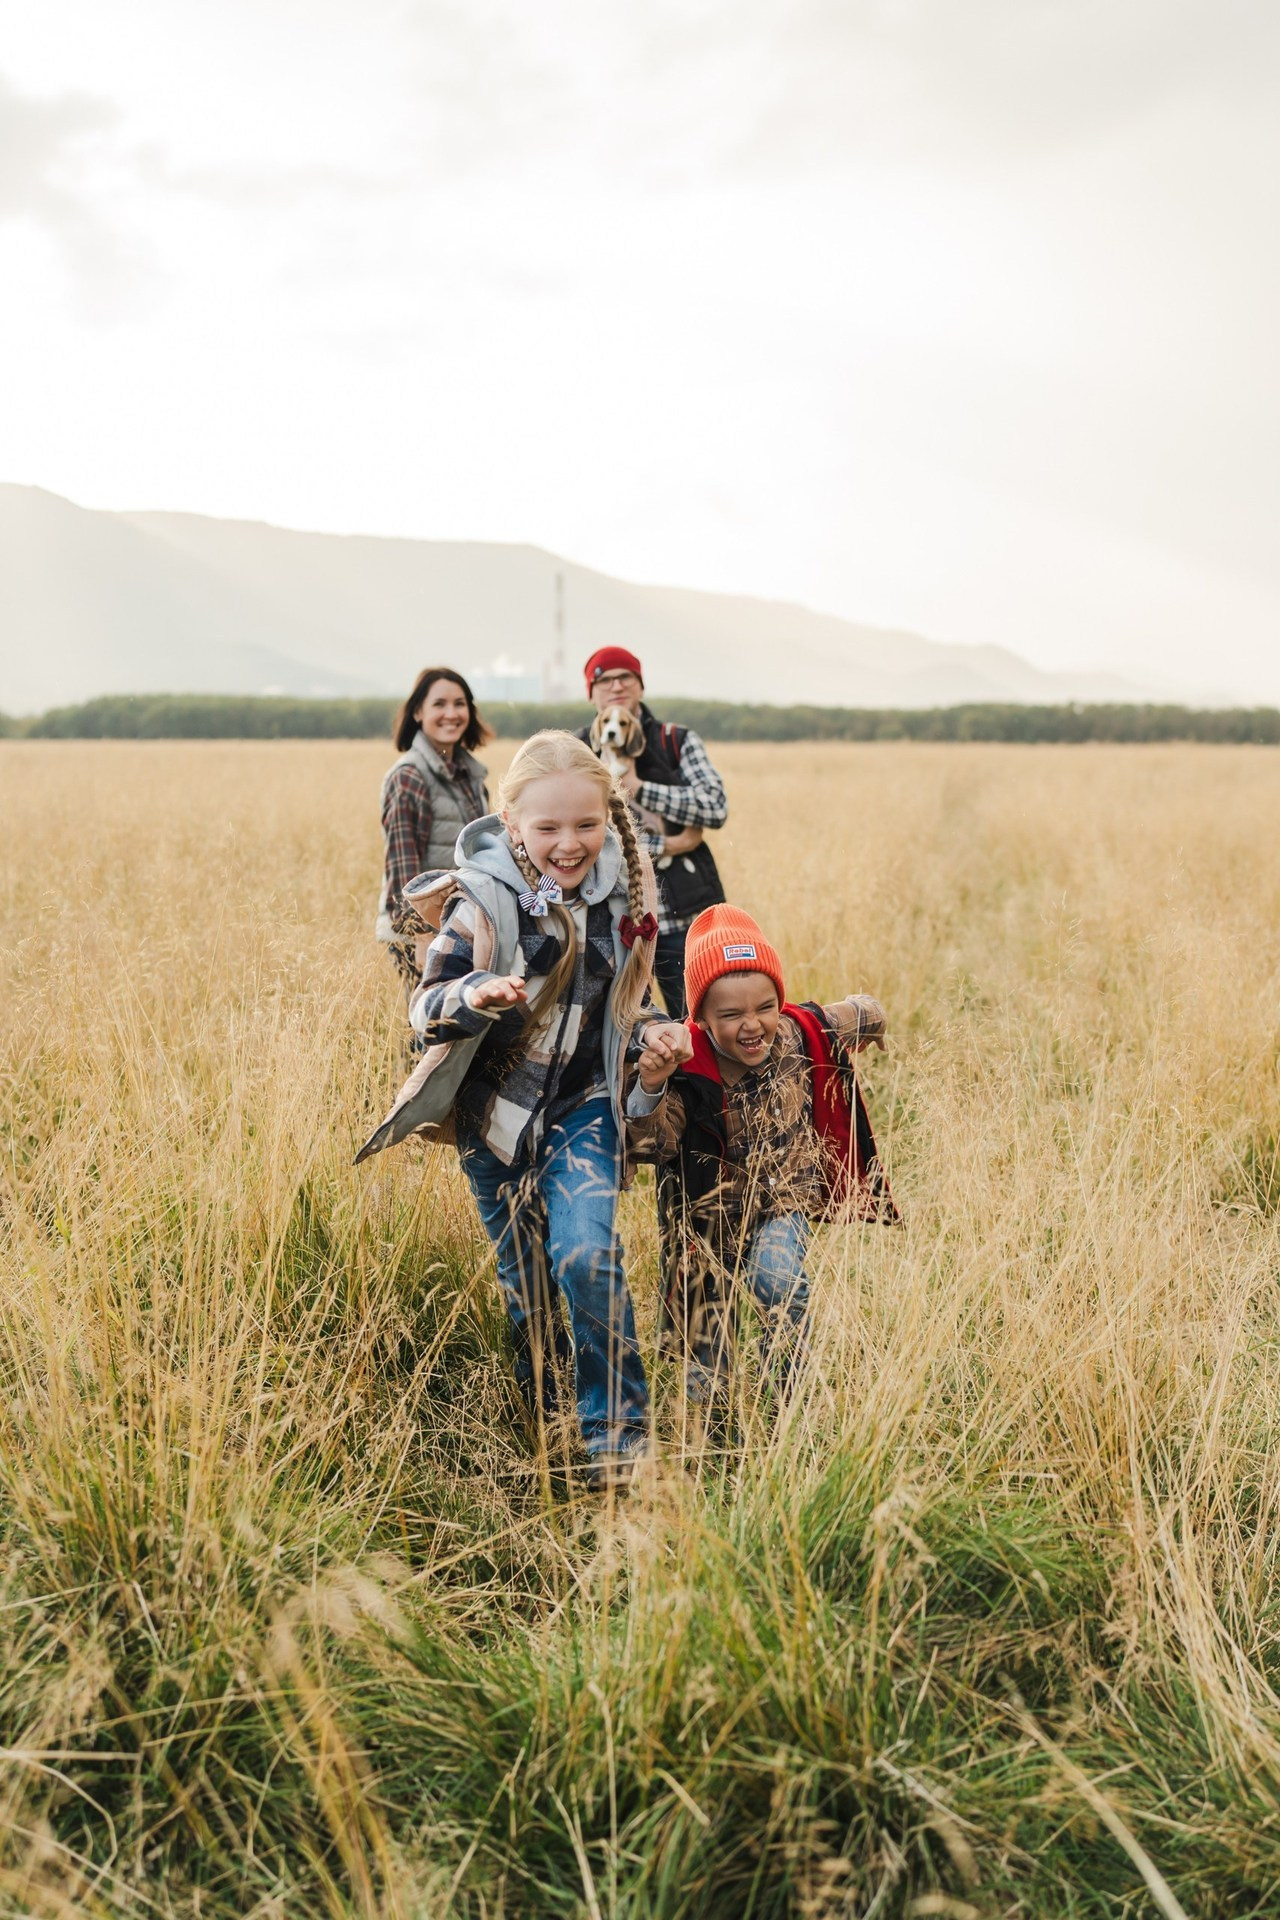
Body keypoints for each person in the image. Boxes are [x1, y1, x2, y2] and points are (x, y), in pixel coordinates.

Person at [356, 731, 684, 1493]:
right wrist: (473, 995)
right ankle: (545, 1418)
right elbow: (425, 1001)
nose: (568, 844)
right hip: (495, 1116)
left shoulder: (624, 896)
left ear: (608, 818)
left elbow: (628, 1006)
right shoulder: (485, 901)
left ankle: (616, 1435)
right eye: (547, 828)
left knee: (586, 1257)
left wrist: (655, 1036)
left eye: (586, 825)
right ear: (511, 824)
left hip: (584, 1108)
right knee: (527, 1278)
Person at [625, 903, 894, 1430]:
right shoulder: (687, 1072)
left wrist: (873, 1016)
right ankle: (715, 1433)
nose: (753, 1026)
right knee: (705, 1355)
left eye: (765, 1006)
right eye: (730, 1015)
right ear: (699, 1018)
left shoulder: (797, 1033)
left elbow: (853, 1013)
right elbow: (648, 1148)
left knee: (779, 1279)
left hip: (780, 1205)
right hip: (701, 1228)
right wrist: (651, 1085)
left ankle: (792, 1407)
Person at [577, 646, 728, 1017]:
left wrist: (639, 787)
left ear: (640, 686)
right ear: (591, 693)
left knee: (696, 1016)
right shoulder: (575, 748)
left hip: (682, 913)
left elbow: (715, 806)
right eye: (604, 680)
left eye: (625, 677)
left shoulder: (675, 740)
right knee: (618, 1021)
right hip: (609, 914)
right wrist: (667, 844)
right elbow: (571, 828)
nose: (615, 686)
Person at [377, 667, 493, 996]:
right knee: (426, 1034)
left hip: (461, 925)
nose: (451, 714)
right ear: (418, 712)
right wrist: (422, 937)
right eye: (439, 704)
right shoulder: (410, 777)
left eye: (460, 704)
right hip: (423, 933)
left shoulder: (470, 775)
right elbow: (403, 868)